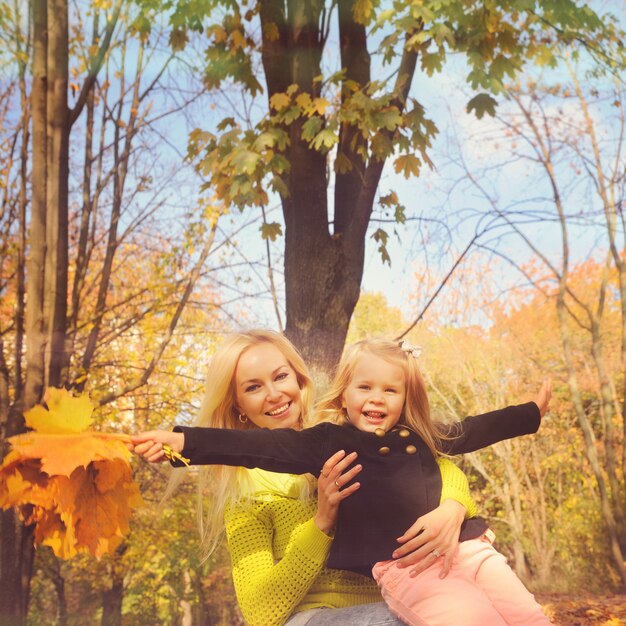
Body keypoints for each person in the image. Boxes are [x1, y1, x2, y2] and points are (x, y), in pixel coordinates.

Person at [133, 333, 551, 625]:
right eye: (254, 387)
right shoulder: (248, 492)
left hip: (408, 584)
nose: (275, 394)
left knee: (502, 610)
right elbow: (263, 613)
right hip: (320, 616)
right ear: (239, 405)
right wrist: (322, 522)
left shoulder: (351, 430)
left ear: (299, 378)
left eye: (280, 377)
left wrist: (452, 509)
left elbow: (442, 455)